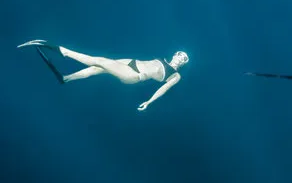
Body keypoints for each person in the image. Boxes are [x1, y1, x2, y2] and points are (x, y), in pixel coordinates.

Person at [17, 39, 189, 111]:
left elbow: (164, 89)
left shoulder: (175, 76)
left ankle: (58, 49)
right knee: (96, 68)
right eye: (179, 54)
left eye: (183, 58)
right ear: (175, 54)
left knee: (98, 60)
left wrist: (149, 102)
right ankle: (66, 79)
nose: (179, 58)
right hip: (131, 62)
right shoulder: (164, 59)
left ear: (183, 63)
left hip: (134, 76)